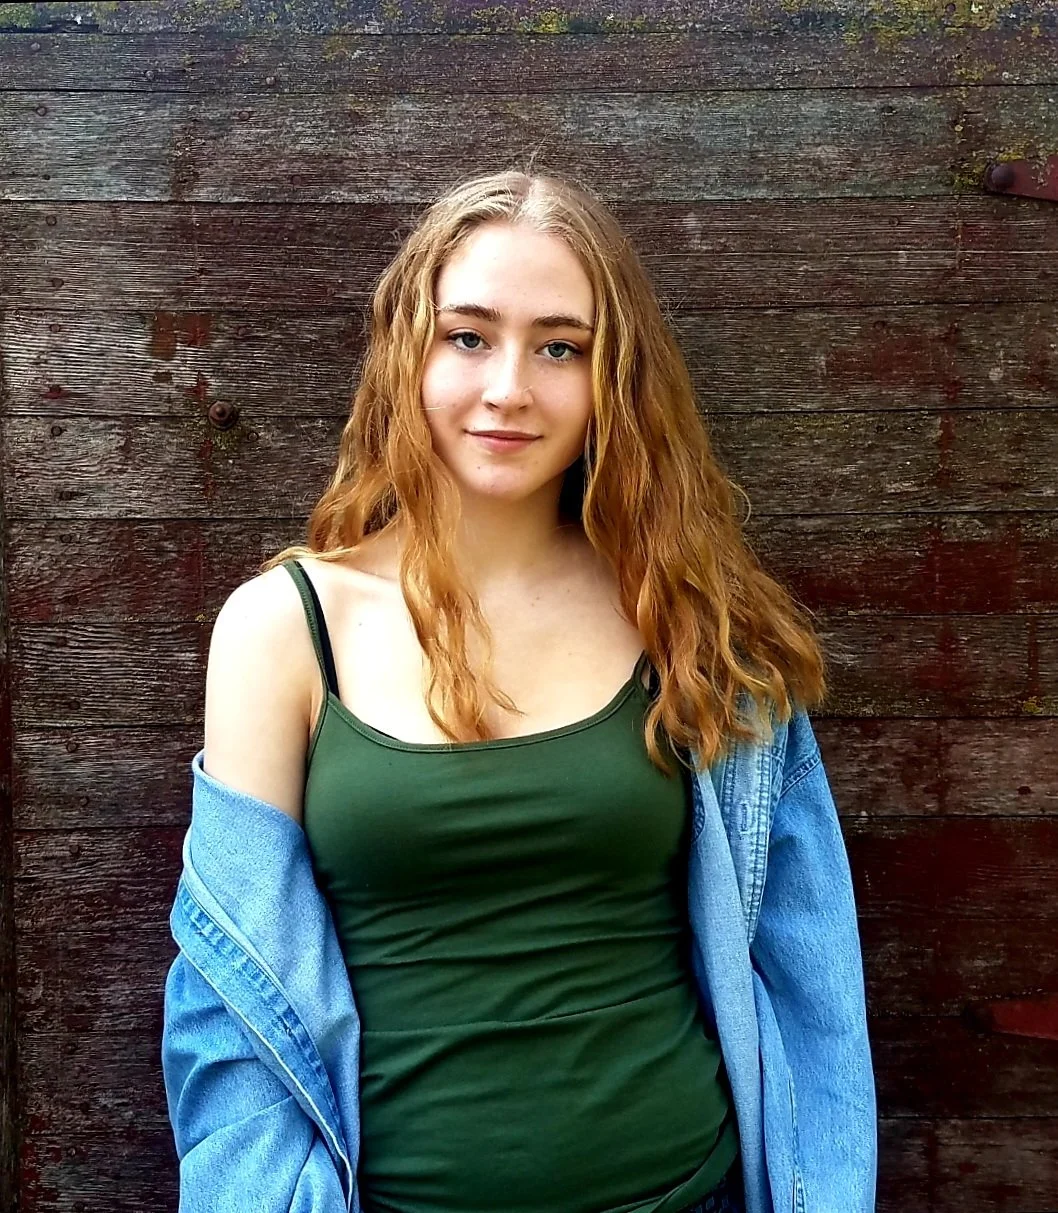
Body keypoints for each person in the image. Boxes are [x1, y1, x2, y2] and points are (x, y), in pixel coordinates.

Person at [161, 168, 877, 1213]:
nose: (509, 386)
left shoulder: (685, 614)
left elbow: (806, 976)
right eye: (467, 336)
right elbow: (226, 1014)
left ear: (610, 379)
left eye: (558, 346)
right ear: (407, 349)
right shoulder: (283, 630)